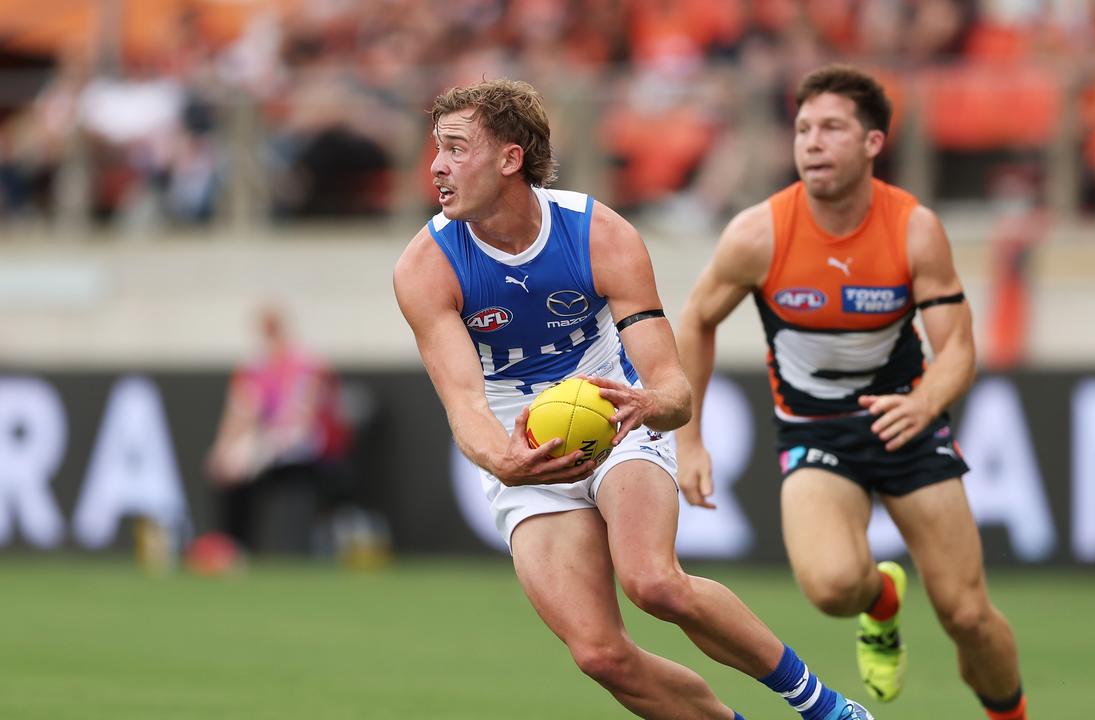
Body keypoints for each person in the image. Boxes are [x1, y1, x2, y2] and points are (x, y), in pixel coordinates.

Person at [393, 78, 871, 720]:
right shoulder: (426, 267)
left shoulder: (598, 235)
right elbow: (467, 407)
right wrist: (504, 462)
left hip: (616, 414)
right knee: (599, 655)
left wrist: (648, 407)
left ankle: (825, 709)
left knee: (653, 583)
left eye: (455, 147)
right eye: (436, 148)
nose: (437, 166)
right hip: (521, 445)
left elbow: (671, 387)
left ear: (509, 158)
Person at [675, 64, 1030, 720]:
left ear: (872, 144)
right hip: (814, 430)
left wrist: (925, 404)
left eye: (832, 128)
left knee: (968, 616)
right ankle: (882, 602)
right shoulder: (760, 233)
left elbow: (959, 348)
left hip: (907, 423)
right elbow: (695, 319)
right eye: (803, 128)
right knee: (834, 587)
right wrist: (688, 437)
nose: (811, 142)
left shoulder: (912, 228)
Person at [205, 304, 352, 553]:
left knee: (266, 451)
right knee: (232, 465)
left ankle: (294, 547)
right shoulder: (254, 367)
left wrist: (268, 443)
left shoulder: (307, 363)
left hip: (303, 444)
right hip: (269, 441)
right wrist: (224, 449)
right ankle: (234, 545)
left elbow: (305, 416)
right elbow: (242, 412)